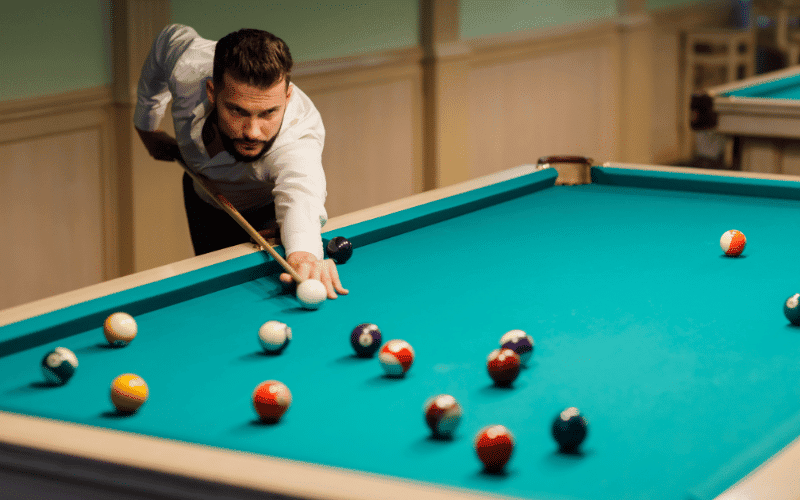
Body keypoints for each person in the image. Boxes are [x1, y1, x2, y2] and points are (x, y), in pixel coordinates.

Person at [134, 24, 347, 299]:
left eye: (269, 113)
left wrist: (304, 255)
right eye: (237, 110)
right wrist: (146, 125)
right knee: (216, 298)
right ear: (211, 92)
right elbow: (165, 41)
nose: (252, 132)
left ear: (287, 96)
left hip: (266, 212)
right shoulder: (188, 67)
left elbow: (301, 195)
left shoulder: (297, 139)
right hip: (203, 200)